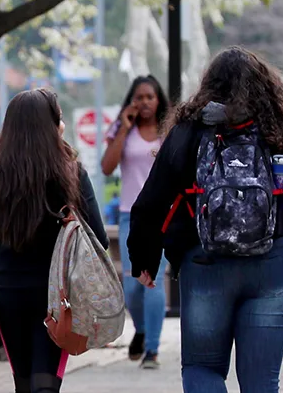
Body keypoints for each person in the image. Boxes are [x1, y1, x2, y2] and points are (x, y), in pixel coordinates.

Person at [128, 47, 283, 393]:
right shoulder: (281, 129)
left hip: (204, 263)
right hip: (273, 265)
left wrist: (145, 258)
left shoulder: (188, 132)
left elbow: (151, 201)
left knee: (203, 368)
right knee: (262, 381)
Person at [0, 88, 108, 393]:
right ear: (53, 125)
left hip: (5, 293)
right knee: (45, 383)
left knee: (23, 382)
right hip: (54, 296)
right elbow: (99, 238)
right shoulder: (70, 173)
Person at [101, 75, 170, 368]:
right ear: (132, 100)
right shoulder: (121, 130)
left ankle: (152, 350)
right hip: (130, 214)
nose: (144, 103)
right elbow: (106, 168)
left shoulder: (169, 130)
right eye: (139, 97)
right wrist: (124, 129)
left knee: (152, 281)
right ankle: (141, 332)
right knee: (132, 286)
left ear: (158, 100)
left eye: (150, 97)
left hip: (163, 215)